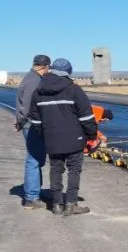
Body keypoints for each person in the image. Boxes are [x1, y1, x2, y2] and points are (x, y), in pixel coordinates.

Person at [27, 58, 98, 216]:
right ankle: (71, 204)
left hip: (52, 140)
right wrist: (92, 135)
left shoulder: (38, 92)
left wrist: (45, 135)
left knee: (55, 170)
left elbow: (36, 120)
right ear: (68, 72)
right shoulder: (74, 90)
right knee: (74, 170)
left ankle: (57, 205)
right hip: (74, 140)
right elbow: (86, 118)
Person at [14, 55, 50, 209]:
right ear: (46, 67)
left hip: (28, 124)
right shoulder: (34, 81)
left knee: (36, 159)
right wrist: (22, 122)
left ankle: (35, 191)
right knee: (33, 160)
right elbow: (28, 107)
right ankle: (31, 197)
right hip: (32, 125)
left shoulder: (30, 78)